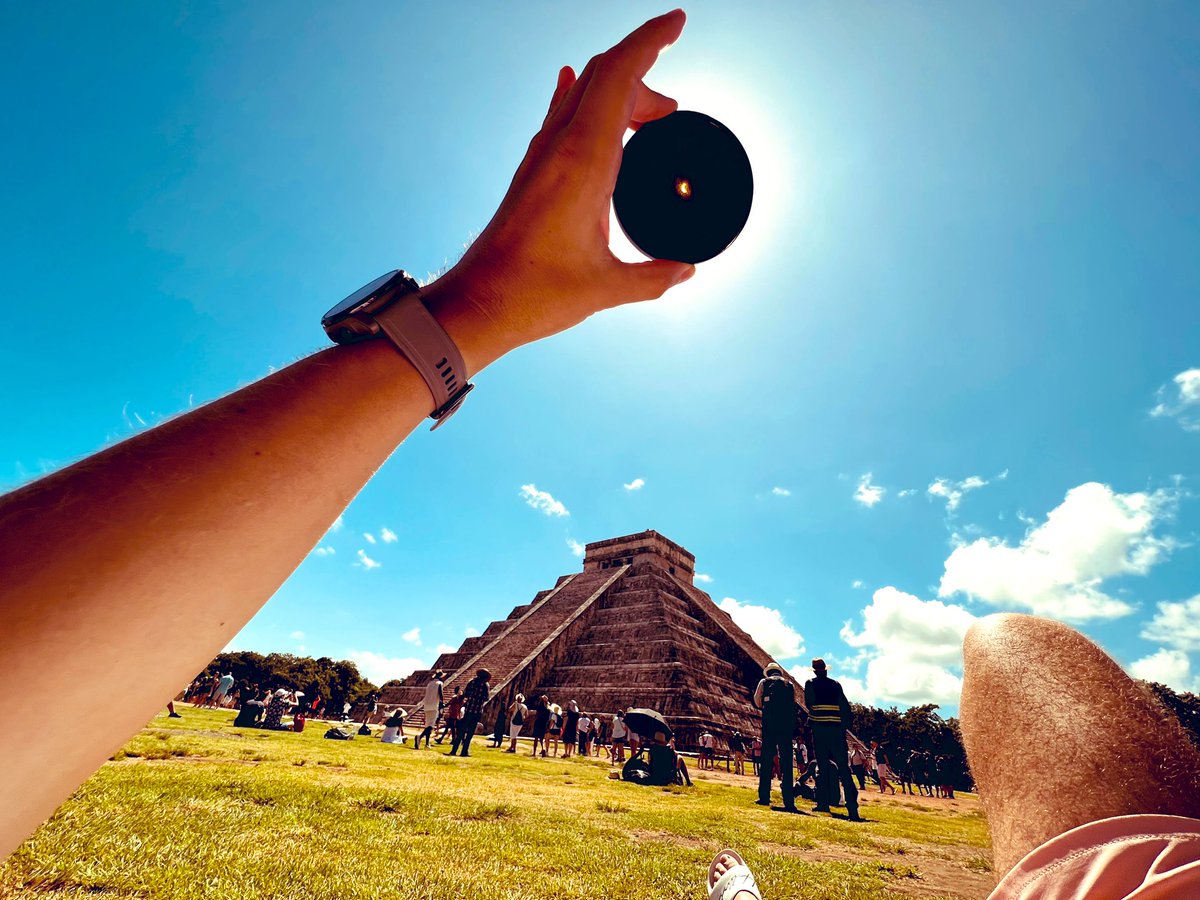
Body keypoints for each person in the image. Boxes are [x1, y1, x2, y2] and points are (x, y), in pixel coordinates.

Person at [803, 658, 861, 821]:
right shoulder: (836, 685)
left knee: (822, 766)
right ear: (826, 670)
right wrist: (843, 726)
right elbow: (845, 706)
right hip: (836, 730)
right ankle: (852, 808)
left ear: (815, 671)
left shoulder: (810, 683)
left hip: (820, 730)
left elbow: (809, 703)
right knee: (844, 768)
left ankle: (823, 803)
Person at [752, 662, 796, 812]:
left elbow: (757, 702)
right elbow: (793, 704)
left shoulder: (764, 682)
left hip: (769, 724)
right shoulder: (789, 684)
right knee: (787, 762)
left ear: (769, 672)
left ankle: (764, 796)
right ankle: (789, 800)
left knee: (766, 760)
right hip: (785, 727)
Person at [448, 668, 490, 758]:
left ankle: (454, 750)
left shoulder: (472, 682)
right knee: (470, 733)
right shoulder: (485, 685)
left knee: (461, 731)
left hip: (468, 710)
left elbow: (465, 694)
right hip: (477, 711)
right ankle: (464, 751)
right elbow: (486, 698)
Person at [415, 670, 444, 749]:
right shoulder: (440, 683)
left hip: (427, 706)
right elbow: (440, 694)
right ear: (441, 676)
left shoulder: (429, 684)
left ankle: (427, 744)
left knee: (428, 725)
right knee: (430, 726)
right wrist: (442, 703)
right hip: (434, 705)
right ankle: (420, 737)